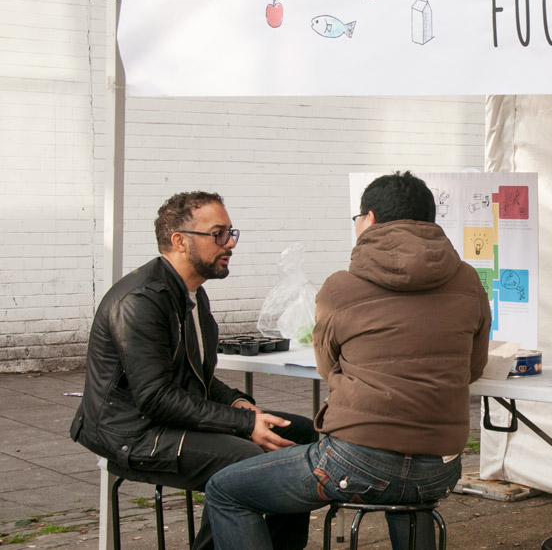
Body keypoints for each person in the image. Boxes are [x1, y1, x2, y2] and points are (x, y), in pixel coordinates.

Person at [205, 171, 491, 550]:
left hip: (357, 464)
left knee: (225, 491)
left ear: (369, 219)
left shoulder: (340, 287)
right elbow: (473, 368)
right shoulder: (469, 281)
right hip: (439, 469)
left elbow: (327, 367)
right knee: (409, 493)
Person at [69, 191, 317, 550]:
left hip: (168, 420)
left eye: (232, 232)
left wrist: (237, 404)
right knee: (248, 462)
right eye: (218, 233)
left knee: (301, 436)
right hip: (134, 432)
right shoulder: (140, 301)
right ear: (180, 241)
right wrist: (244, 426)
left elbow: (195, 377)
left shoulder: (192, 293)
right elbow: (156, 398)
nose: (230, 243)